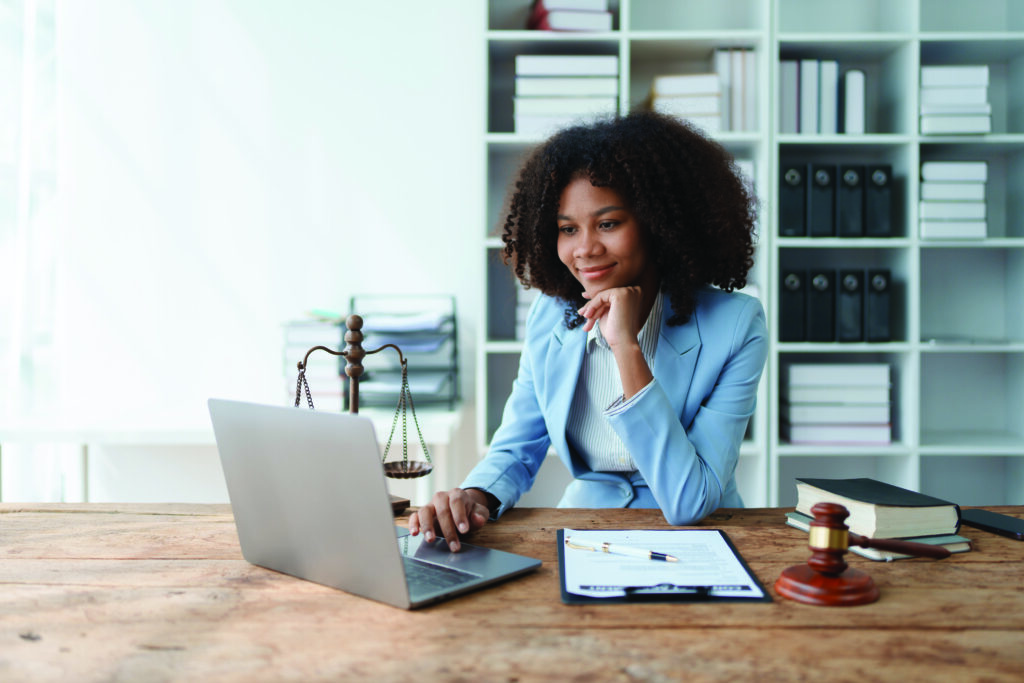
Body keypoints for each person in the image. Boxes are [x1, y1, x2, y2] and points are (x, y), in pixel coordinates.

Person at [409, 110, 768, 551]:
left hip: (699, 540)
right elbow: (518, 446)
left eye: (608, 223)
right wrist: (473, 497)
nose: (585, 249)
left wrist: (625, 346)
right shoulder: (551, 315)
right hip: (584, 530)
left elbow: (689, 500)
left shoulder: (736, 326)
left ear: (658, 224)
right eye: (567, 229)